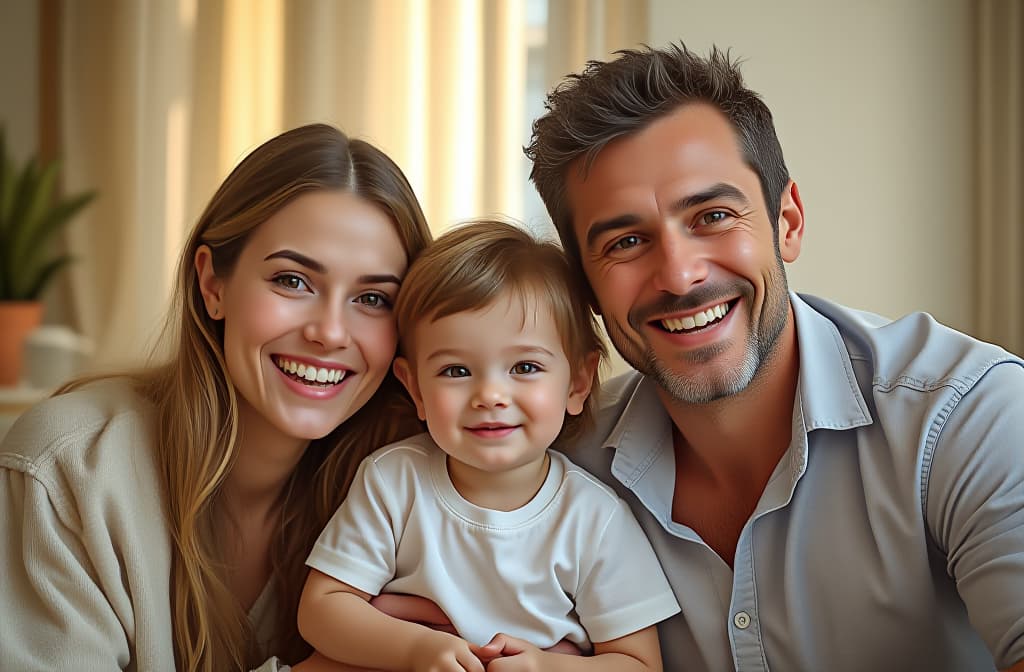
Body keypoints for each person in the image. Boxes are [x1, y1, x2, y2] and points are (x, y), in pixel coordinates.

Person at [520, 43, 1024, 671]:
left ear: (787, 221)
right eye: (626, 241)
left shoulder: (967, 416)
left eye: (713, 215)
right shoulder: (554, 466)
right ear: (585, 288)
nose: (679, 275)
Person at [0, 123, 432, 672]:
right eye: (293, 281)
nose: (330, 332)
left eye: (372, 298)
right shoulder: (68, 467)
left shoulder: (418, 479)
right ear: (213, 284)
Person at [297, 220, 680, 672]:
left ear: (577, 381)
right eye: (456, 371)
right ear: (415, 388)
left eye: (524, 367)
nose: (490, 396)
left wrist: (543, 667)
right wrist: (416, 650)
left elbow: (639, 664)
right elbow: (321, 609)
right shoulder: (394, 480)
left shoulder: (595, 519)